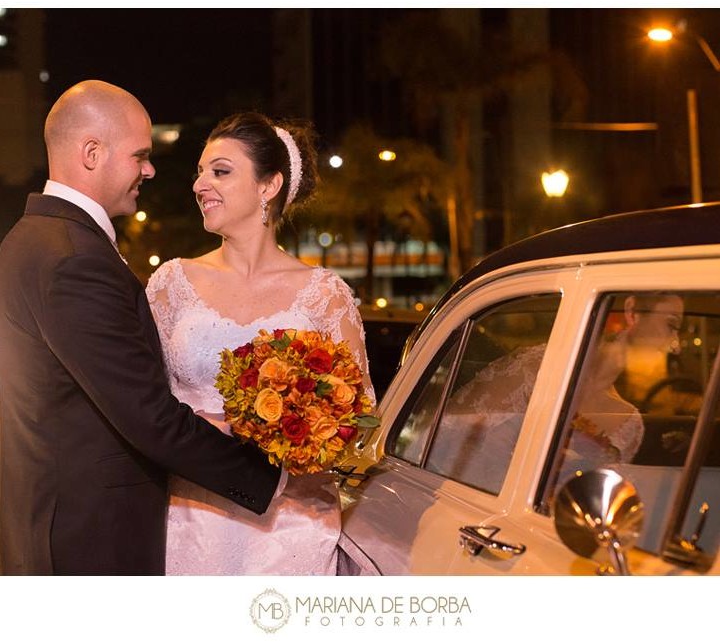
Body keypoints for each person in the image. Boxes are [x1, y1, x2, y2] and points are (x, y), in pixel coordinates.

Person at [0, 81, 281, 576]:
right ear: (92, 152)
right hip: (88, 546)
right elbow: (148, 417)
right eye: (140, 155)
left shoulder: (31, 240)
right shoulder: (72, 259)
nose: (150, 170)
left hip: (51, 525)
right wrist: (270, 478)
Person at [146, 111, 375, 575]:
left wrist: (303, 430)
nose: (199, 184)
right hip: (191, 516)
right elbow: (142, 401)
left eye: (221, 171)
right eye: (200, 172)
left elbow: (362, 415)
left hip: (292, 527)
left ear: (268, 186)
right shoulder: (172, 282)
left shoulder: (324, 294)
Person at [427, 293, 683, 494]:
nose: (676, 345)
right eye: (671, 325)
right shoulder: (539, 366)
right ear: (632, 312)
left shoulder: (630, 422)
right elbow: (444, 439)